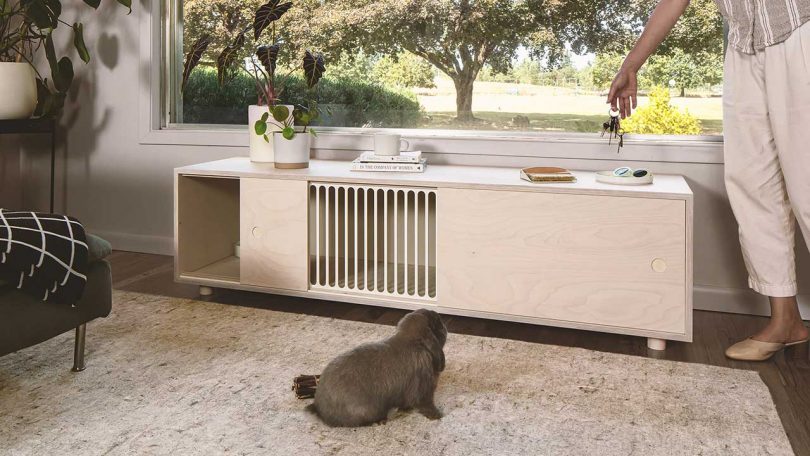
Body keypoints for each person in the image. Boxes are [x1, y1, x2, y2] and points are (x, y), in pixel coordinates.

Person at [608, 0, 810, 361]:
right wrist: (631, 64)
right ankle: (785, 320)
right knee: (752, 184)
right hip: (743, 47)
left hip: (800, 31)